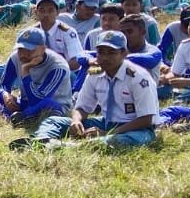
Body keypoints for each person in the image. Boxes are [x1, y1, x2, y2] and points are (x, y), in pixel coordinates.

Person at [25, 31, 159, 150]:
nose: (105, 57)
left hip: (137, 129)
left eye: (111, 53)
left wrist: (109, 133)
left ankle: (68, 147)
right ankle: (42, 139)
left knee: (115, 141)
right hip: (107, 122)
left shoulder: (138, 78)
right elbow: (82, 107)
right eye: (101, 52)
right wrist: (76, 121)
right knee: (54, 121)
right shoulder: (95, 74)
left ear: (124, 53)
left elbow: (146, 119)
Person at [0, 27, 73, 127]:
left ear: (43, 48)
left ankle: (19, 116)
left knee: (49, 104)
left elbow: (38, 99)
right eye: (20, 49)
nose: (23, 54)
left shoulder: (57, 66)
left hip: (52, 105)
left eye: (29, 50)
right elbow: (3, 84)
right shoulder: (15, 57)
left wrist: (26, 71)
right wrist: (5, 95)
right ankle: (15, 115)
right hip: (25, 102)